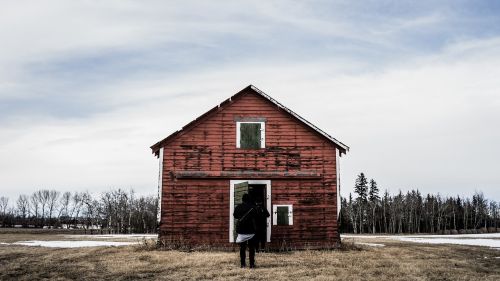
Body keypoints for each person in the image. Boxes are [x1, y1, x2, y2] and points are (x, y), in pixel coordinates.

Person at [233, 193, 258, 268]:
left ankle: (243, 264)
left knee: (242, 248)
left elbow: (235, 216)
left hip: (241, 230)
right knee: (251, 248)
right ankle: (252, 265)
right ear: (249, 199)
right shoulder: (253, 207)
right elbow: (256, 217)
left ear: (242, 199)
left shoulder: (238, 207)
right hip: (251, 230)